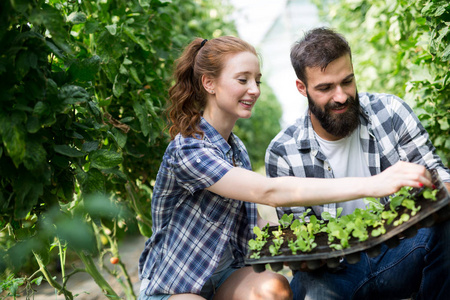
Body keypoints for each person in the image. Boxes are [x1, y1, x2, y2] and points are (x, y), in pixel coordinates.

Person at [137, 35, 433, 300]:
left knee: (274, 289)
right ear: (209, 83)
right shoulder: (187, 148)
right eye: (243, 80)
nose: (254, 89)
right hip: (175, 285)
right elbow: (266, 190)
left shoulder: (235, 150)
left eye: (257, 80)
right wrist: (373, 184)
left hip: (225, 277)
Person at [265, 27, 450, 300]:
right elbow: (299, 238)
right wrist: (301, 256)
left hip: (399, 251)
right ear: (301, 88)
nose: (341, 96)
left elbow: (438, 175)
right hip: (333, 273)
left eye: (347, 81)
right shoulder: (283, 152)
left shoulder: (391, 113)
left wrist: (442, 189)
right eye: (325, 88)